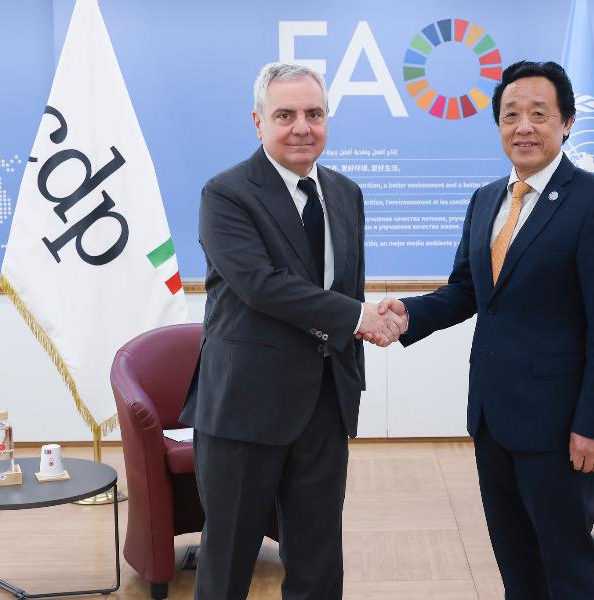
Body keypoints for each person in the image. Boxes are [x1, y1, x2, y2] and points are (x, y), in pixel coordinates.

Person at [373, 60, 594, 599]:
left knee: (565, 565)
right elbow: (468, 291)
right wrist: (409, 315)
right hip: (493, 418)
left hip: (560, 426)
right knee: (516, 562)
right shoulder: (487, 198)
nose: (524, 127)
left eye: (539, 114)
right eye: (511, 115)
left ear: (567, 123)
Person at [179, 62, 404, 600]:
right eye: (285, 115)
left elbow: (345, 287)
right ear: (258, 121)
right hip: (245, 406)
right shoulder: (226, 193)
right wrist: (358, 317)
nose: (302, 127)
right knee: (228, 562)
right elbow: (262, 286)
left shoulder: (346, 193)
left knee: (318, 562)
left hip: (325, 404)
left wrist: (370, 323)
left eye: (314, 114)